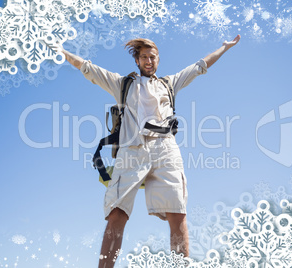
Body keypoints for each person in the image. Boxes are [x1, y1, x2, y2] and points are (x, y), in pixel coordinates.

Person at [58, 34, 240, 267]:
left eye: (152, 57)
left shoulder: (169, 83)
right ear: (137, 60)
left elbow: (200, 66)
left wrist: (223, 48)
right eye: (143, 57)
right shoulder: (121, 84)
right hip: (131, 150)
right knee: (117, 214)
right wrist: (61, 52)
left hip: (166, 149)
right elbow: (87, 68)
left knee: (178, 213)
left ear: (158, 59)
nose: (148, 60)